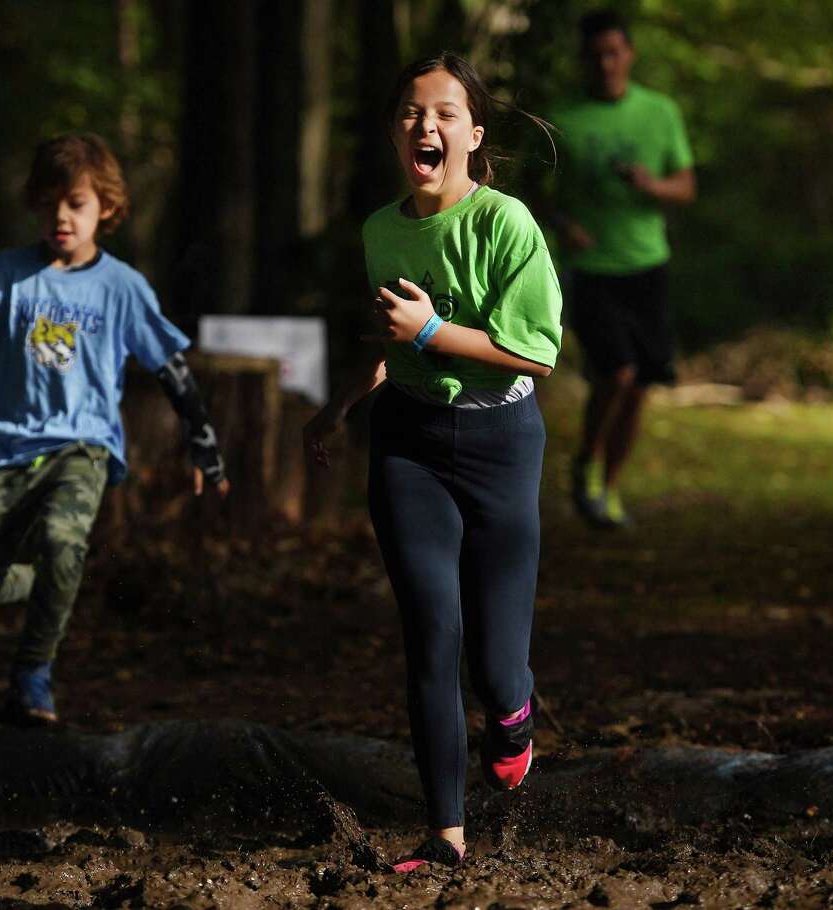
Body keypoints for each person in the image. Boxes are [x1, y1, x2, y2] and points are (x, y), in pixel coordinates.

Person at [0, 133, 229, 725]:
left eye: (75, 203)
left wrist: (203, 444)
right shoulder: (6, 276)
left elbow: (172, 368)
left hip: (82, 444)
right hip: (1, 447)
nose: (61, 216)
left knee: (62, 538)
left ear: (105, 207)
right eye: (50, 201)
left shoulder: (122, 288)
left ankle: (33, 673)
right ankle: (52, 582)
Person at [303, 53, 562, 873]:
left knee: (493, 663)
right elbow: (394, 342)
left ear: (473, 135)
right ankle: (444, 834)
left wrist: (429, 335)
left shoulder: (506, 224)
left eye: (446, 113)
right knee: (430, 636)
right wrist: (343, 402)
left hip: (502, 446)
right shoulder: (382, 230)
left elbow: (535, 355)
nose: (428, 126)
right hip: (410, 443)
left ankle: (514, 710)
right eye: (413, 113)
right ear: (394, 133)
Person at [545, 9, 695, 528]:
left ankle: (607, 489)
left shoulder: (660, 112)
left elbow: (686, 186)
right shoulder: (563, 119)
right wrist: (563, 224)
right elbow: (535, 197)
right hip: (590, 267)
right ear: (584, 60)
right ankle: (584, 462)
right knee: (617, 371)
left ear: (629, 54)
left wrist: (653, 186)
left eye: (614, 52)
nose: (606, 63)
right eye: (595, 55)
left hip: (647, 263)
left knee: (640, 385)